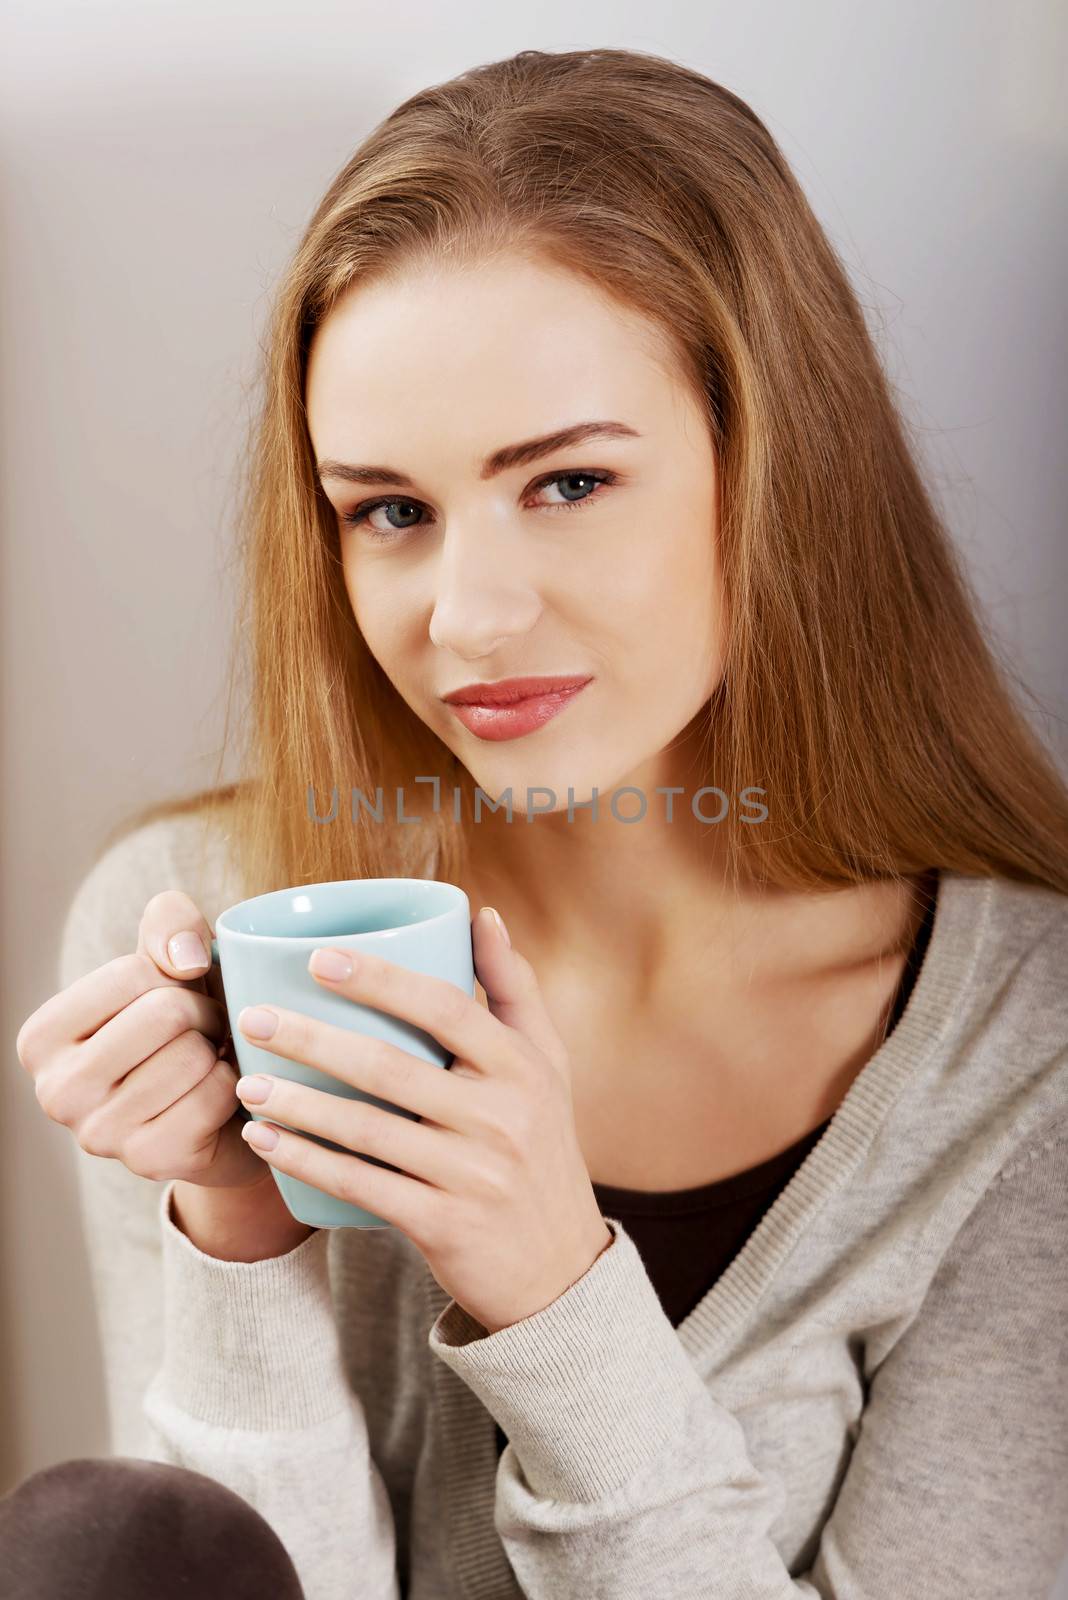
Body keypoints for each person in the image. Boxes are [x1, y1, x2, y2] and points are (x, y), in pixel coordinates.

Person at [12, 43, 1068, 1600]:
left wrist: (554, 1295)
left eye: (567, 484)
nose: (470, 616)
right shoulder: (193, 917)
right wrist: (238, 1224)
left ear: (776, 469)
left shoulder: (1021, 1056)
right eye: (391, 511)